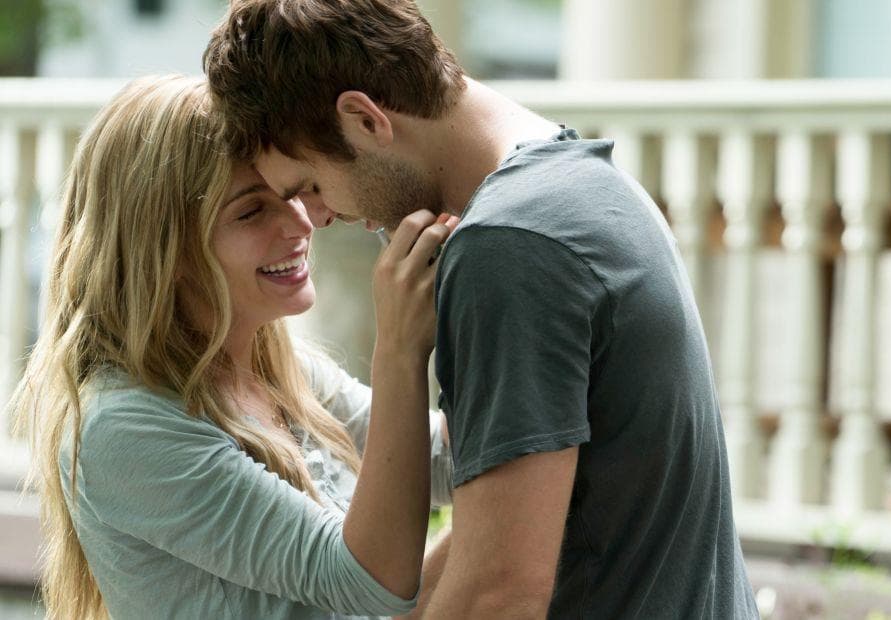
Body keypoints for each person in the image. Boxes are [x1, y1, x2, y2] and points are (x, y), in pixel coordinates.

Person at [204, 2, 759, 618]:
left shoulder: (509, 247)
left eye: (309, 184)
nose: (319, 216)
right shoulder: (580, 183)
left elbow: (499, 593)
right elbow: (509, 527)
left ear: (364, 119)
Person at [7, 75, 457, 619]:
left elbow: (445, 463)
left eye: (292, 193)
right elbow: (370, 580)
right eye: (251, 211)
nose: (301, 222)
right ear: (164, 249)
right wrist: (401, 352)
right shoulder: (122, 427)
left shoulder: (278, 369)